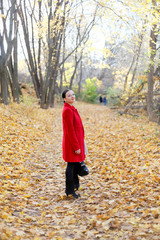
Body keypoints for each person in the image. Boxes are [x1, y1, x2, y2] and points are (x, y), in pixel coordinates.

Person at [62, 89, 85, 199]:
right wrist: (76, 146)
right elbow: (70, 130)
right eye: (69, 95)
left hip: (76, 141)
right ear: (64, 99)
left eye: (73, 94)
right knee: (71, 166)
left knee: (75, 165)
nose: (72, 96)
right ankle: (69, 190)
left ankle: (75, 186)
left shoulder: (72, 109)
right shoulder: (67, 110)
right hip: (72, 143)